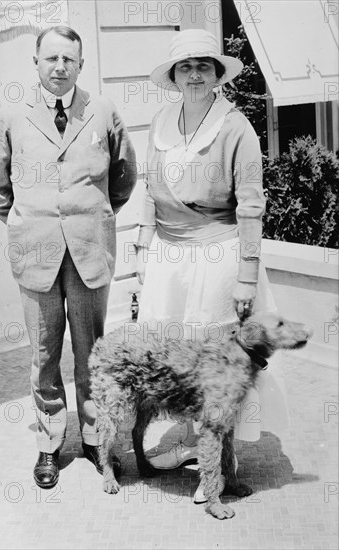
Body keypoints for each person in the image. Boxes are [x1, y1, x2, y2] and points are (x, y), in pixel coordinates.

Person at [0, 25, 136, 489]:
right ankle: (50, 444)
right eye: (51, 59)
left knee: (93, 352)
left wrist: (95, 216)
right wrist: (25, 221)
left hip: (90, 253)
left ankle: (93, 439)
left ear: (81, 65)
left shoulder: (103, 110)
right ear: (36, 62)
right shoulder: (11, 115)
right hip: (36, 254)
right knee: (44, 355)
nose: (60, 67)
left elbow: (124, 177)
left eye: (68, 59)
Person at [134, 29, 289, 494]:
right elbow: (149, 192)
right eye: (186, 67)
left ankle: (221, 462)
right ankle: (186, 438)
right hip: (167, 257)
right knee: (176, 359)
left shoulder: (236, 126)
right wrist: (143, 253)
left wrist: (246, 275)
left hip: (218, 256)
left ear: (217, 73)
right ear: (175, 76)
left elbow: (250, 204)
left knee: (217, 362)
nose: (195, 74)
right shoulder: (161, 120)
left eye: (204, 65)